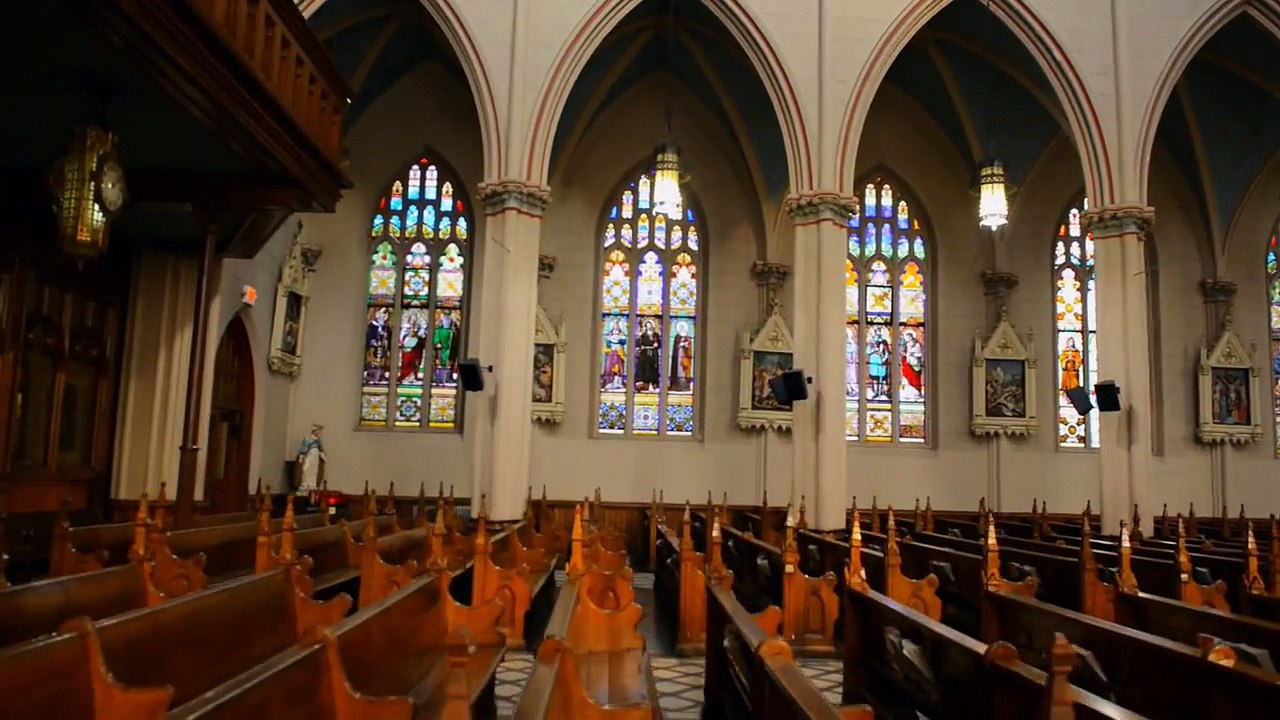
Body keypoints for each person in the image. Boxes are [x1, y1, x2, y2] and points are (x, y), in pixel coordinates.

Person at [297, 424, 325, 490]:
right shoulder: (307, 439)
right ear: (314, 431)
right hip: (309, 455)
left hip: (315, 456)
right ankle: (305, 483)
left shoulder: (318, 440)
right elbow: (304, 447)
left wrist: (322, 455)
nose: (318, 433)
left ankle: (312, 484)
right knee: (306, 469)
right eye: (317, 431)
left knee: (314, 470)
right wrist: (302, 456)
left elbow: (321, 449)